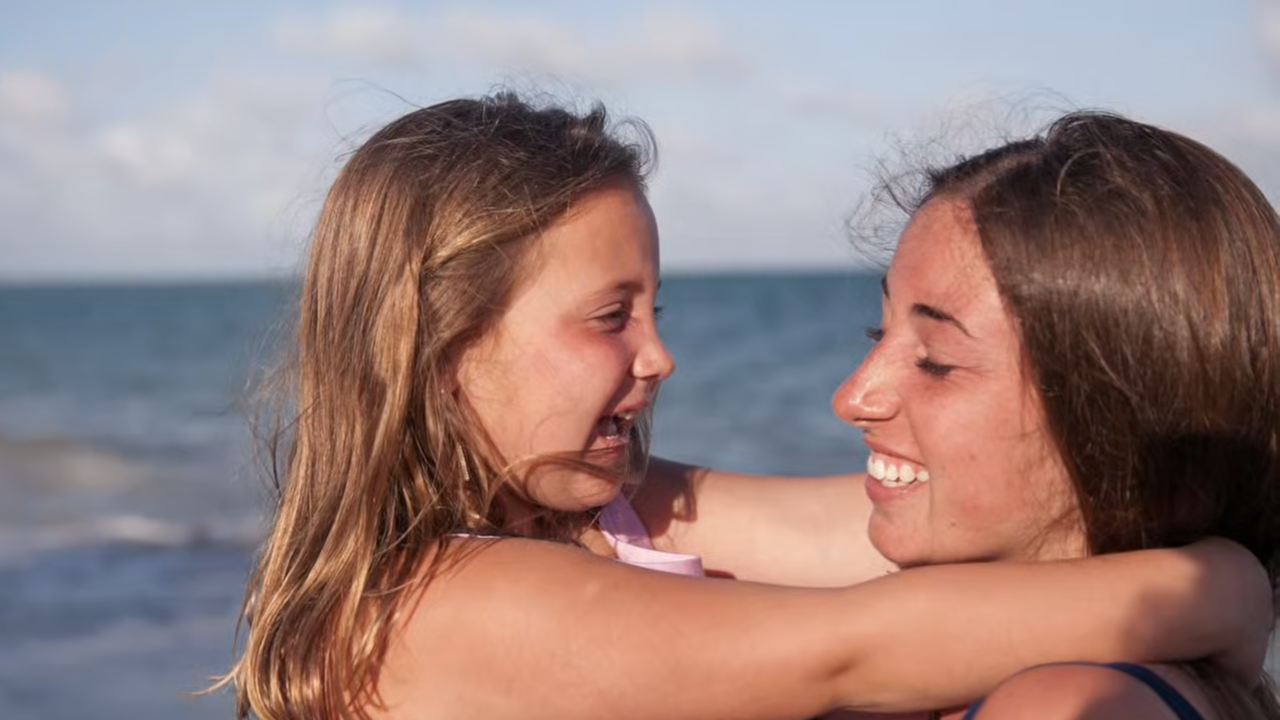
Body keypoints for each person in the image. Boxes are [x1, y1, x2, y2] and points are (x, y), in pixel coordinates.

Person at [220, 93, 1271, 720]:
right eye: (610, 317)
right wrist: (1217, 590)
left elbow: (905, 526)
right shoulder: (425, 611)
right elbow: (849, 649)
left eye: (655, 309)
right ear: (444, 349)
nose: (659, 356)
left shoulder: (614, 518)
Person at [816, 112, 1278, 718]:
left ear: (1114, 420)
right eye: (878, 333)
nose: (853, 397)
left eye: (935, 361)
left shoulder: (1066, 704)